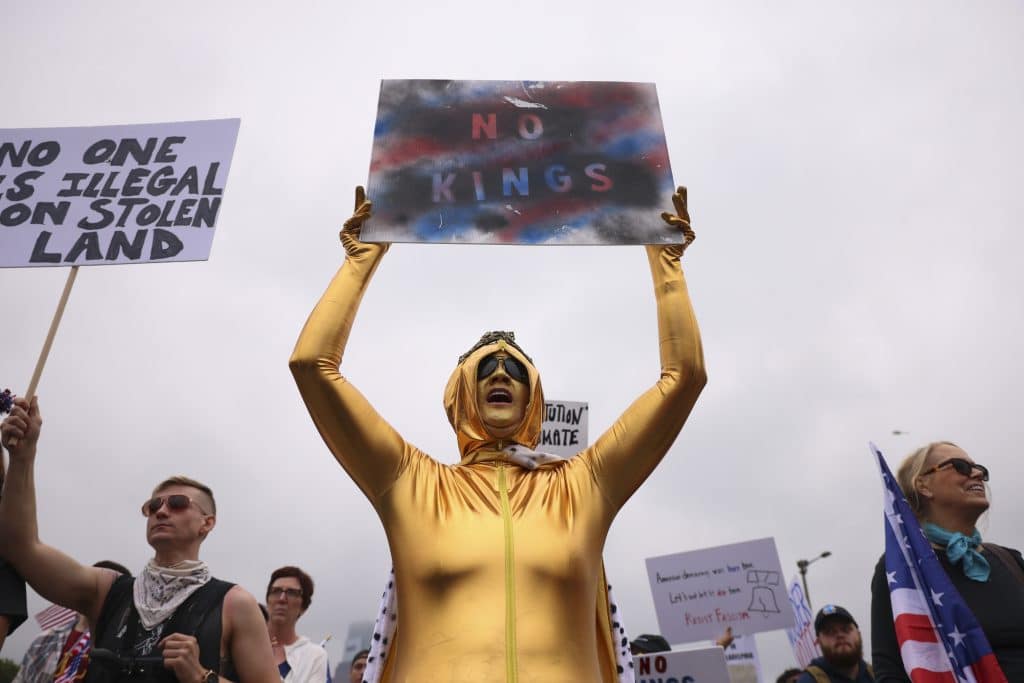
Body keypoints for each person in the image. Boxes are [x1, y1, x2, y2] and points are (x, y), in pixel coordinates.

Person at [290, 185, 706, 681]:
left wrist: (666, 262)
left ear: (534, 399)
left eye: (516, 370)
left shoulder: (583, 485)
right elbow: (312, 366)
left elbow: (684, 377)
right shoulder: (412, 483)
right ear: (462, 393)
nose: (502, 375)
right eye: (487, 368)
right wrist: (360, 261)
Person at [0, 396, 279, 683]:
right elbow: (21, 548)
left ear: (207, 523)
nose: (162, 511)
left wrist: (202, 676)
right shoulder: (106, 590)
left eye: (178, 503)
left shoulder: (234, 604)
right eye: (153, 506)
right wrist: (23, 456)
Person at [871, 441, 1024, 681]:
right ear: (923, 485)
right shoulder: (903, 569)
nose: (977, 474)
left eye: (980, 469)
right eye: (960, 466)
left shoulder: (1011, 561)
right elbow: (889, 670)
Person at [12, 560, 131, 683]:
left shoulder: (131, 645)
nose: (99, 592)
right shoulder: (44, 640)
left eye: (112, 590)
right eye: (93, 584)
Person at [265, 566, 330, 683]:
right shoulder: (244, 644)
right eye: (276, 591)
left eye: (291, 593)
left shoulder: (315, 656)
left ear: (303, 607)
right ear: (267, 600)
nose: (282, 599)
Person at [796, 605, 873, 683]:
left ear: (858, 634)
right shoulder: (809, 680)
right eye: (829, 632)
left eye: (846, 629)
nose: (840, 635)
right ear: (819, 641)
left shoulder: (876, 674)